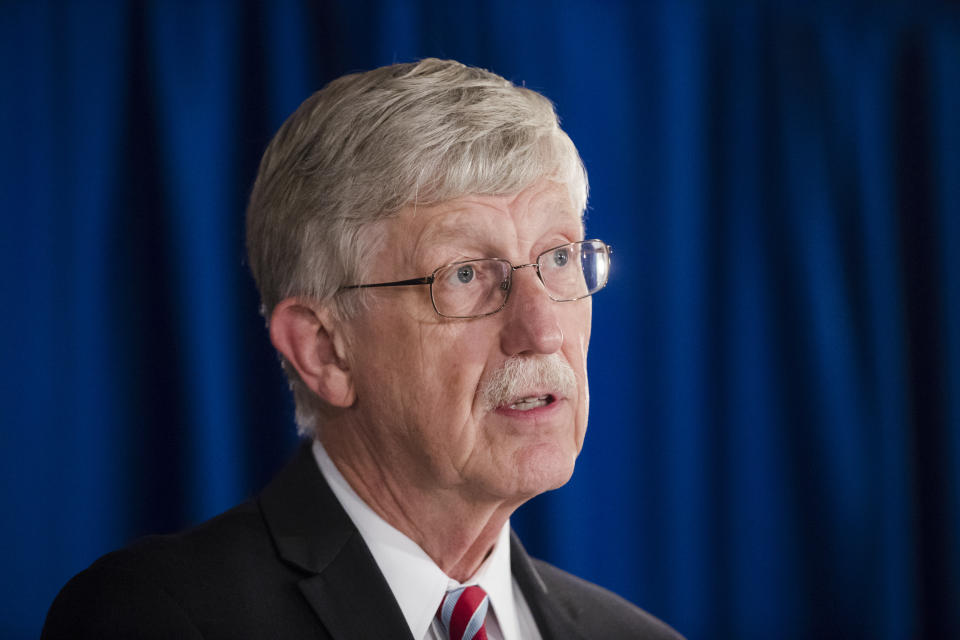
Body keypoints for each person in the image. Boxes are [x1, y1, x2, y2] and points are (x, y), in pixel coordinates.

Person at [42, 58, 683, 640]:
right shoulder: (159, 620)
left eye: (561, 257)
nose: (542, 331)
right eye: (464, 274)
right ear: (324, 349)